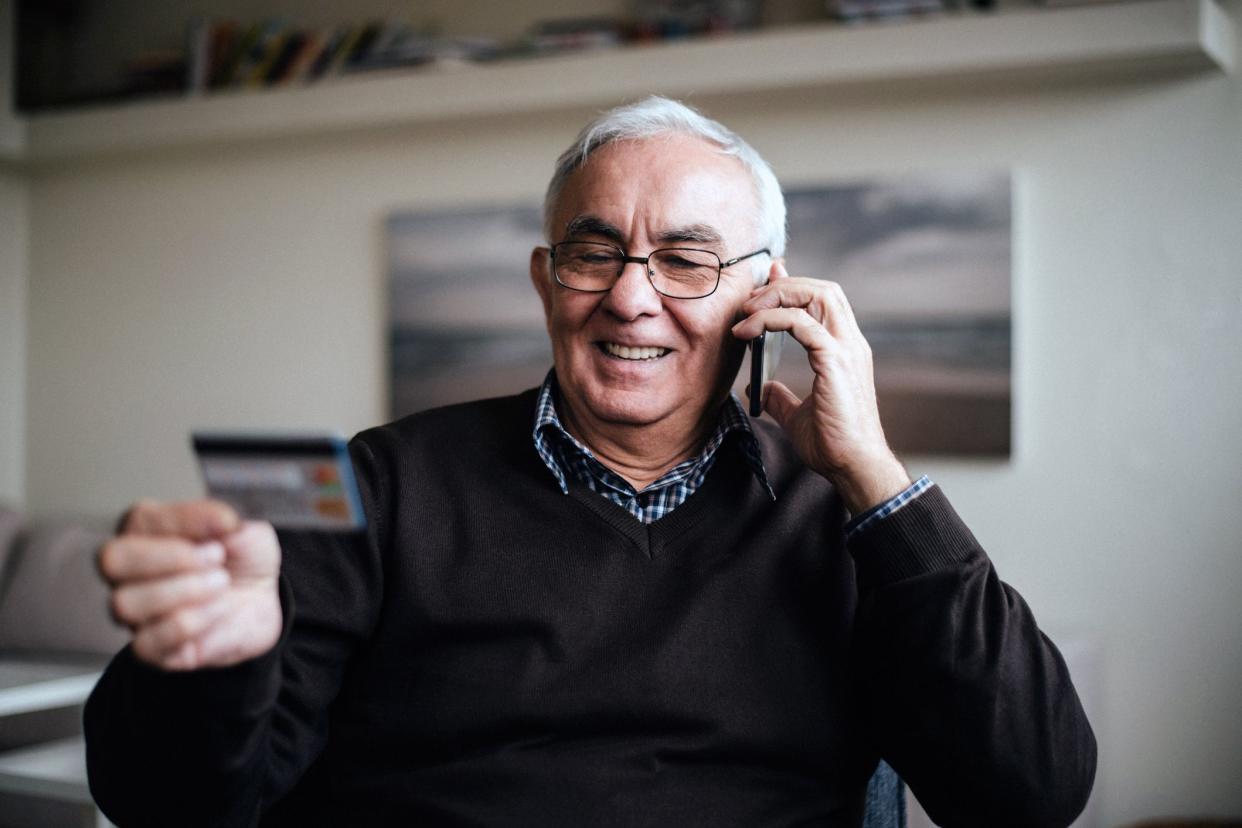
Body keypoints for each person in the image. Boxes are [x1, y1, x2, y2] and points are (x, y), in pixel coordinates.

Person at [87, 97, 1096, 827]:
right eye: (593, 251)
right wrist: (210, 666)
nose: (630, 296)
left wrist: (876, 472)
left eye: (687, 260)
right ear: (545, 279)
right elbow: (169, 805)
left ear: (766, 295)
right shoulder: (384, 483)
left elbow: (1032, 792)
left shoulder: (844, 517)